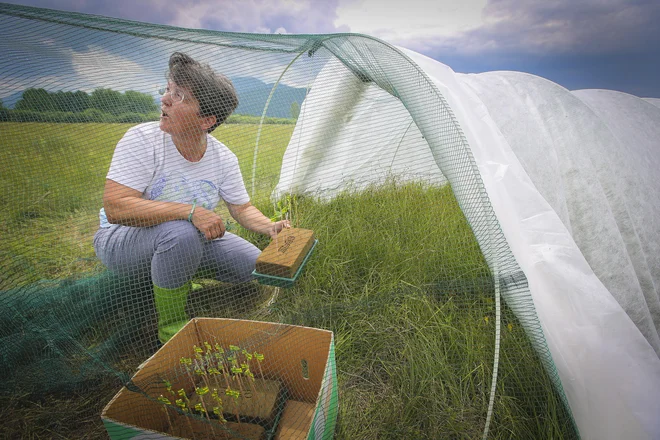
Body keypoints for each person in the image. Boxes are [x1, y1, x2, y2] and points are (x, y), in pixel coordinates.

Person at [93, 52, 289, 344]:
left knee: (253, 266)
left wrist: (268, 226)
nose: (165, 99)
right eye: (169, 90)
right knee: (181, 232)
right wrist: (189, 211)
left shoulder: (223, 157)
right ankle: (171, 328)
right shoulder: (142, 139)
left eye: (180, 96)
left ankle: (176, 277)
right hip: (122, 240)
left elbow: (242, 208)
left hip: (184, 238)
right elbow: (115, 209)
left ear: (206, 120)